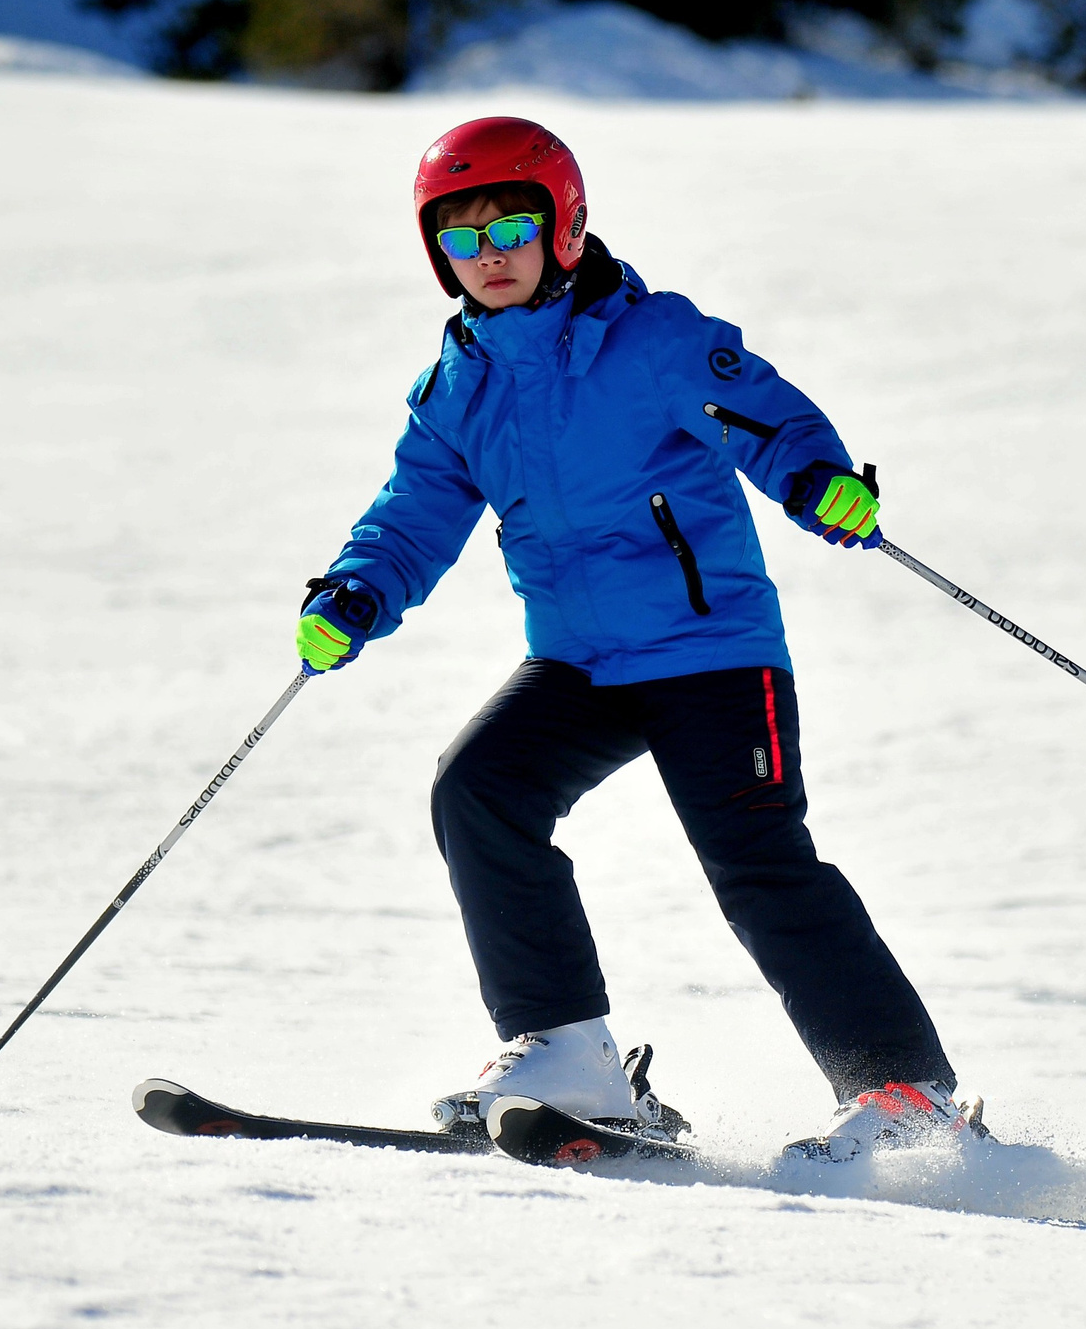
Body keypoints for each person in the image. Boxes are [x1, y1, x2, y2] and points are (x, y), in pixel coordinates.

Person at [297, 117, 978, 1163]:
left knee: (756, 862)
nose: (488, 255)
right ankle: (568, 1051)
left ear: (563, 226)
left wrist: (819, 480)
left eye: (511, 228)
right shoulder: (457, 391)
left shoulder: (653, 338)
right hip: (578, 662)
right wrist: (356, 591)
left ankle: (904, 1091)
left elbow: (769, 418)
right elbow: (413, 515)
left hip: (712, 652)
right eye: (461, 237)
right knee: (477, 788)